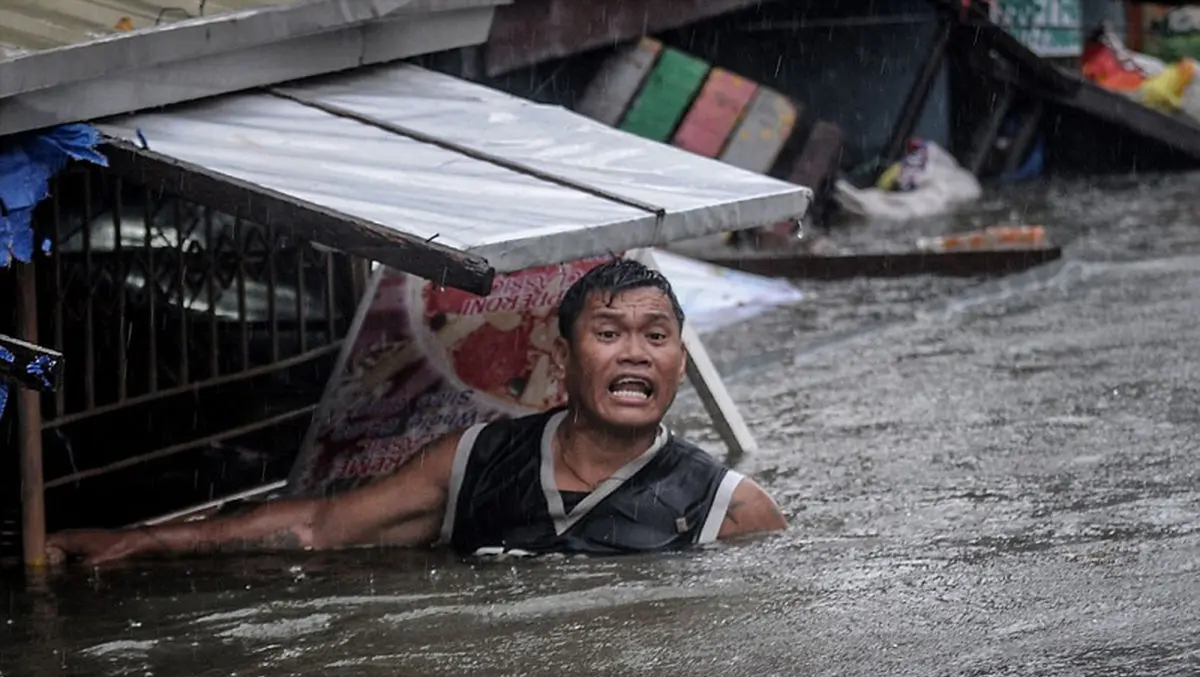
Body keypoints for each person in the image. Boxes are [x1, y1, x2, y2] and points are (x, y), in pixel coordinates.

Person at [47, 258, 787, 566]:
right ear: (560, 359)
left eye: (656, 337)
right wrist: (145, 540)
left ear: (679, 364)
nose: (635, 353)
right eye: (609, 333)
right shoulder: (472, 461)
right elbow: (317, 526)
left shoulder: (731, 510)